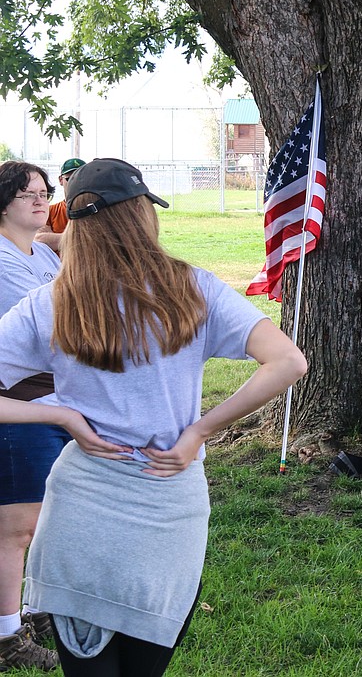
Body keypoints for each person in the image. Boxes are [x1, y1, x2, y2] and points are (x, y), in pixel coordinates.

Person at [0, 158, 307, 676]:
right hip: (171, 502)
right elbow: (288, 362)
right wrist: (200, 430)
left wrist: (63, 416)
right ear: (143, 216)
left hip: (83, 508)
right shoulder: (195, 288)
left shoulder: (51, 302)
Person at [0, 162, 65, 672]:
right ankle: (6, 636)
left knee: (53, 515)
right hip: (17, 402)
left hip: (59, 398)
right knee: (16, 526)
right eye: (26, 193)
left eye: (44, 192)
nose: (39, 199)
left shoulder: (41, 251)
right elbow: (50, 324)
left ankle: (40, 608)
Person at [33, 158, 86, 254]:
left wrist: (55, 239)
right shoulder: (49, 211)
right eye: (70, 179)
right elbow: (39, 239)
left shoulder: (95, 209)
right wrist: (83, 239)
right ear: (61, 180)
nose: (76, 182)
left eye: (81, 178)